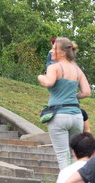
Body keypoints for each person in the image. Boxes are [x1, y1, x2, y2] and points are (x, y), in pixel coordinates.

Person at [37, 37, 91, 169]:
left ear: (62, 52)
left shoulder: (54, 67)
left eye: (54, 48)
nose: (52, 51)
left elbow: (49, 82)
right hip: (76, 116)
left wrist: (40, 77)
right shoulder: (78, 70)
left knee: (62, 156)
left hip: (59, 116)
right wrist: (72, 97)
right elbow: (86, 92)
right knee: (74, 155)